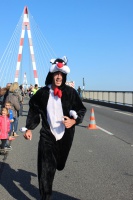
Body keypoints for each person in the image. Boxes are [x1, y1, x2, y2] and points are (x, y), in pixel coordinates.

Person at [23, 56, 86, 200]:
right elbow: (33, 107)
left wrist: (73, 121)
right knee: (46, 169)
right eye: (56, 74)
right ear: (52, 75)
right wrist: (29, 128)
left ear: (64, 75)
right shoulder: (43, 92)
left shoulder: (71, 93)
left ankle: (59, 163)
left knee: (59, 164)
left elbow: (81, 110)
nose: (58, 77)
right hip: (47, 135)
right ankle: (46, 196)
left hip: (65, 137)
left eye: (61, 74)